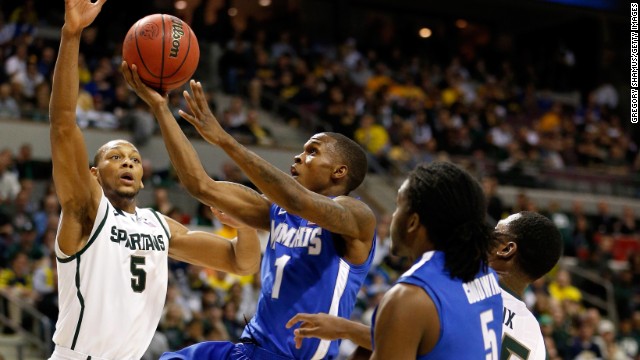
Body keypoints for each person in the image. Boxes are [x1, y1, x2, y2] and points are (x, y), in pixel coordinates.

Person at [48, 2, 261, 359]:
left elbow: (241, 262)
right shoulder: (86, 210)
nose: (128, 163)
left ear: (144, 179)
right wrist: (72, 35)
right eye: (115, 157)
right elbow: (63, 125)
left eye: (133, 158)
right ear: (94, 175)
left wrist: (244, 226)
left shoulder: (159, 226)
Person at [120, 67, 377, 359]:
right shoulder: (277, 210)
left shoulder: (357, 216)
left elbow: (298, 200)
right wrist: (160, 109)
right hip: (248, 348)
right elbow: (201, 185)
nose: (298, 156)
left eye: (313, 151)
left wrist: (225, 140)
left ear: (339, 172)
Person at [288, 162, 503, 359]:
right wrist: (347, 329)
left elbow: (412, 321)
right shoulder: (482, 272)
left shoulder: (410, 297)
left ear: (412, 222)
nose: (392, 216)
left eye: (398, 205)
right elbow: (433, 340)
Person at [288, 210, 563, 360]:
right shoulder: (535, 338)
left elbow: (410, 345)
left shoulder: (459, 287)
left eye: (494, 234)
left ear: (505, 249)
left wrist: (343, 328)